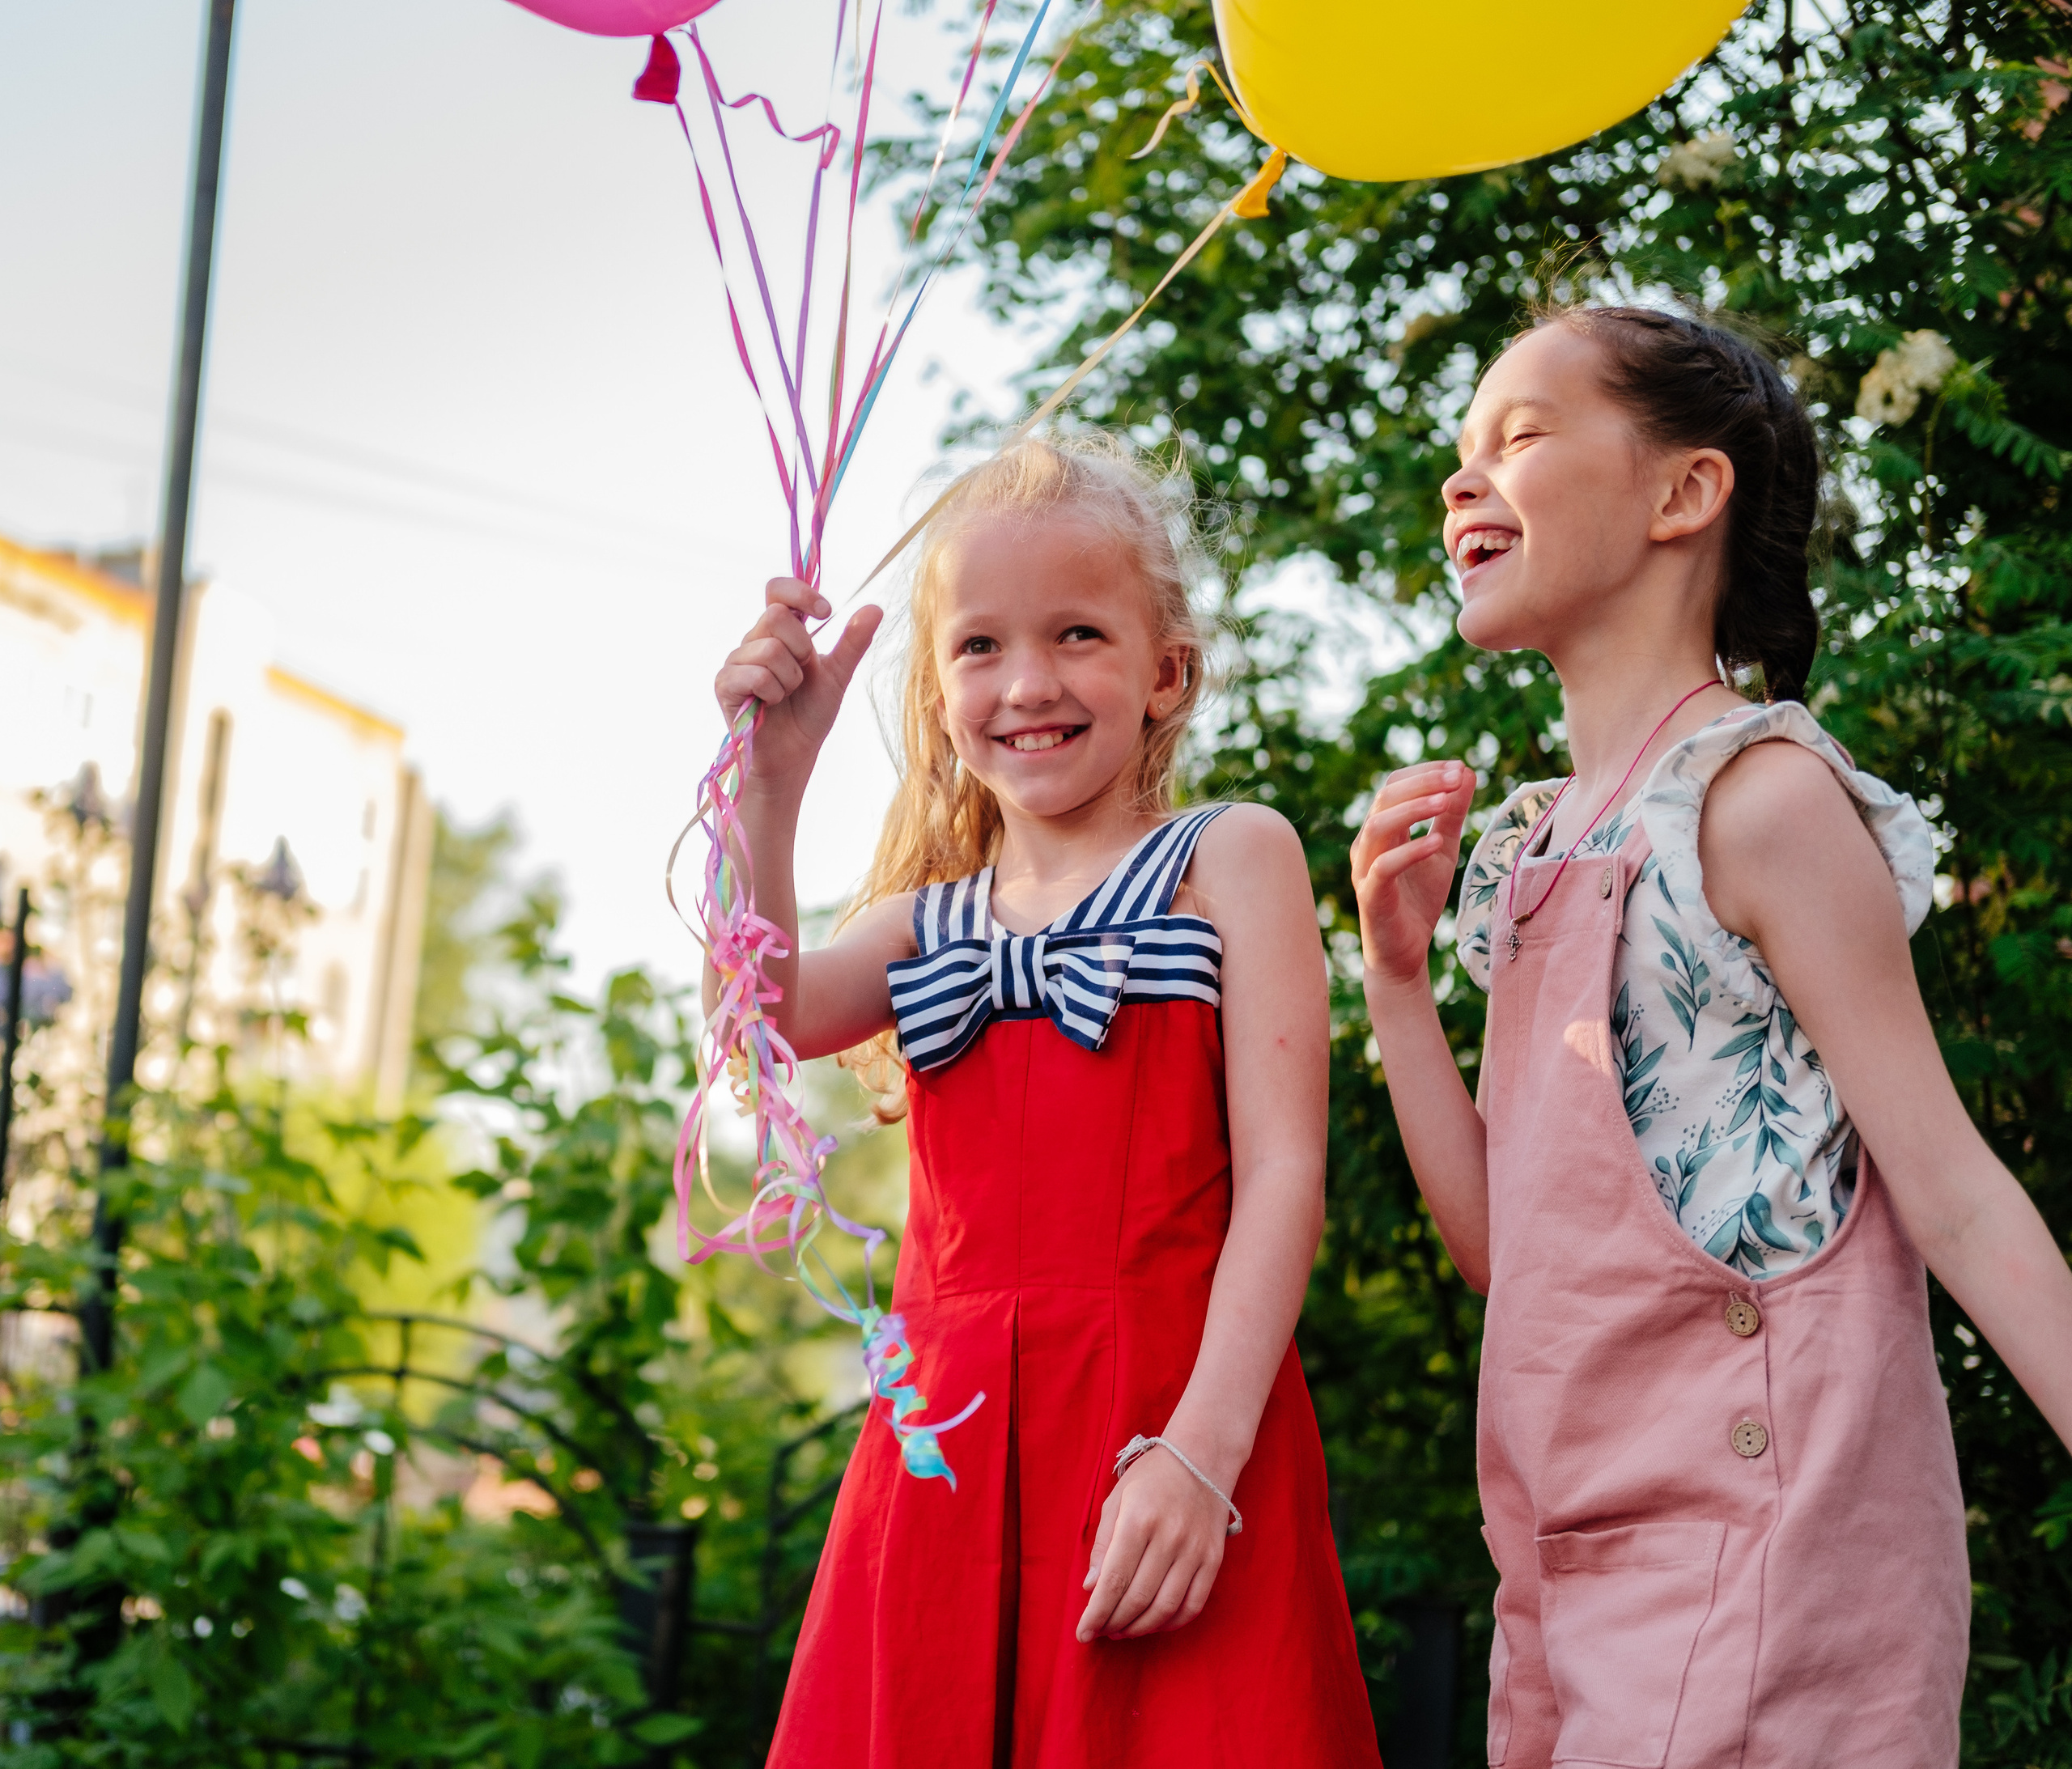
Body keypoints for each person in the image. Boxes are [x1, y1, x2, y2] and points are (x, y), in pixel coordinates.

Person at [1351, 303, 2072, 1768]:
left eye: (1524, 434)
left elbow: (1954, 1187)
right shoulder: (1536, 846)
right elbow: (1512, 1252)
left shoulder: (1758, 799)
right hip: (1566, 1566)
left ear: (1685, 493)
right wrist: (1397, 980)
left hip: (1768, 1561)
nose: (1461, 480)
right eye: (1459, 452)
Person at [709, 435, 1381, 1768]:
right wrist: (770, 786)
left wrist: (1201, 1456)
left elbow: (1287, 1179)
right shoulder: (917, 924)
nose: (1028, 683)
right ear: (937, 682)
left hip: (1171, 1424)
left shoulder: (1230, 858)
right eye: (980, 647)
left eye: (1078, 634)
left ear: (1166, 671)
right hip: (947, 1454)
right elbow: (758, 1017)